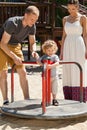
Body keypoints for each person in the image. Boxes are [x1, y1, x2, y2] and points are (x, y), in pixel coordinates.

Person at [0, 5, 39, 105]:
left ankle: (27, 99)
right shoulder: (12, 23)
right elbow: (3, 44)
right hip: (2, 45)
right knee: (3, 72)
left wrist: (33, 51)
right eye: (32, 19)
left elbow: (33, 42)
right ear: (25, 15)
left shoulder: (32, 26)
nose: (33, 22)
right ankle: (5, 100)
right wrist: (14, 57)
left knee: (23, 72)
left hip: (15, 45)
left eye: (35, 20)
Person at [60, 0, 87, 102]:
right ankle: (69, 97)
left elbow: (85, 35)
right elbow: (63, 36)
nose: (71, 11)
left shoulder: (83, 18)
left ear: (78, 7)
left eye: (73, 9)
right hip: (67, 45)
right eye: (69, 9)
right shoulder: (65, 19)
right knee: (68, 69)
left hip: (79, 45)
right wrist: (61, 52)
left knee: (79, 69)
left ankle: (80, 97)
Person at [34, 40, 59, 106]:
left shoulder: (55, 56)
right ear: (45, 50)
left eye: (52, 50)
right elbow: (38, 61)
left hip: (54, 76)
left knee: (54, 88)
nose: (50, 52)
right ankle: (44, 100)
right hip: (46, 76)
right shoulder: (44, 57)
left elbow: (57, 63)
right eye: (48, 50)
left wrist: (51, 66)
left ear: (55, 50)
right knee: (45, 89)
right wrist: (42, 64)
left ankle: (54, 99)